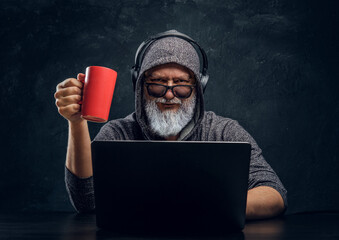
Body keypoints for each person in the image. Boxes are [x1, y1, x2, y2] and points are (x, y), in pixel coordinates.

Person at [54, 30, 287, 220]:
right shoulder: (118, 132)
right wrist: (76, 122)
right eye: (157, 83)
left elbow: (274, 194)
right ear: (140, 86)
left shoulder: (223, 131)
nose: (168, 94)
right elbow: (87, 202)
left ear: (198, 87)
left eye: (181, 84)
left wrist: (205, 207)